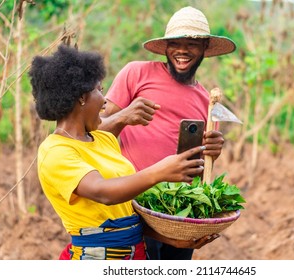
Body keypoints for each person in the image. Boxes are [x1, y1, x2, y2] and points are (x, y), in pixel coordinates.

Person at [28, 44, 215, 260]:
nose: (105, 99)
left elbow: (125, 213)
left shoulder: (104, 138)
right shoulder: (55, 151)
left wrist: (172, 239)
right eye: (99, 90)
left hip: (136, 254)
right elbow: (103, 192)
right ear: (81, 97)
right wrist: (160, 172)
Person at [99, 6, 236, 260]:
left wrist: (211, 155)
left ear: (205, 47)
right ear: (165, 47)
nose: (182, 50)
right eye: (175, 43)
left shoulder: (207, 101)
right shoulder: (136, 73)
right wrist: (124, 116)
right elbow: (93, 128)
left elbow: (197, 167)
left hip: (178, 212)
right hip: (132, 205)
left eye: (192, 44)